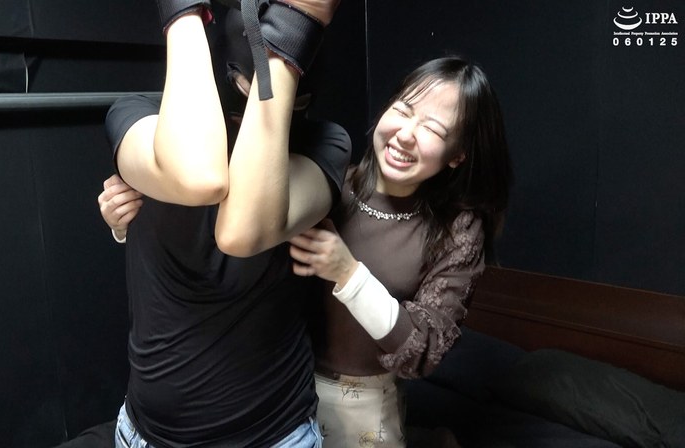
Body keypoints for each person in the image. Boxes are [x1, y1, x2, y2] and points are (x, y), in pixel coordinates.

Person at [101, 55, 512, 447]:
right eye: (403, 110)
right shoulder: (329, 183)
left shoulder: (458, 229)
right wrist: (131, 222)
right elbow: (228, 246)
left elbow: (424, 351)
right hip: (277, 392)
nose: (406, 134)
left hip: (361, 407)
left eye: (433, 129)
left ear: (458, 155)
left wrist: (348, 273)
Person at [101, 0, 348, 447]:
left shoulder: (325, 144)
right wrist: (183, 11)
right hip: (145, 433)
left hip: (273, 434)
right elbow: (199, 177)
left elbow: (241, 231)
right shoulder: (140, 114)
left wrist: (295, 24)